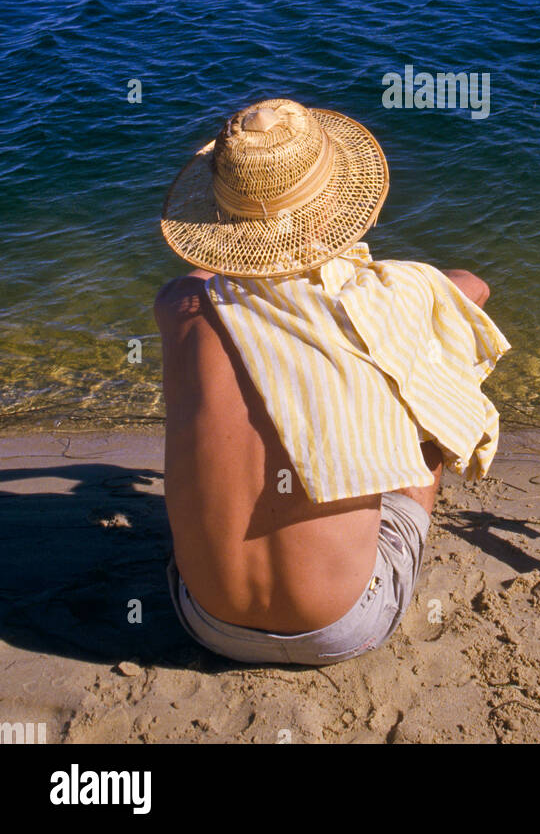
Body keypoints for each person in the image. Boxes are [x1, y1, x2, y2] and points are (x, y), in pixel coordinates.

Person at [155, 96, 509, 665]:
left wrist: (243, 243)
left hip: (201, 618)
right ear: (341, 208)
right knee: (424, 392)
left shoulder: (179, 305)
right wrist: (375, 285)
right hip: (344, 626)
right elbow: (473, 288)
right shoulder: (380, 298)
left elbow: (205, 278)